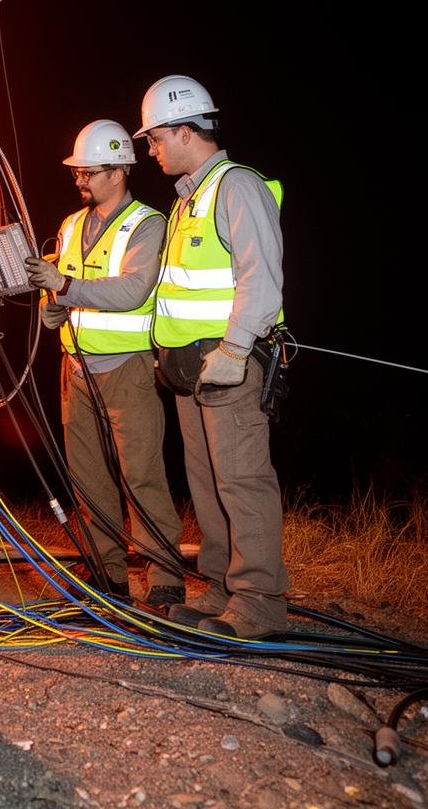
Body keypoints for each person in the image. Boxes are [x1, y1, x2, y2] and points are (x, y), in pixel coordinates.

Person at [133, 73, 287, 638]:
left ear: (182, 131)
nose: (150, 150)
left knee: (243, 479)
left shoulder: (236, 186)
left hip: (228, 366)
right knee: (209, 484)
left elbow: (262, 279)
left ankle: (260, 601)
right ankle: (223, 587)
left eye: (155, 139)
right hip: (190, 372)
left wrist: (236, 348)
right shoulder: (188, 201)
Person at [25, 120, 185, 606]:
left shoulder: (148, 223)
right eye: (78, 173)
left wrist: (67, 287)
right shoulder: (71, 225)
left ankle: (165, 576)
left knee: (141, 474)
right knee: (88, 478)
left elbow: (134, 289)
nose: (80, 181)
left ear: (118, 172)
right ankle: (107, 574)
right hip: (75, 369)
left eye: (89, 173)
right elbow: (60, 285)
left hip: (127, 370)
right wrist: (51, 306)